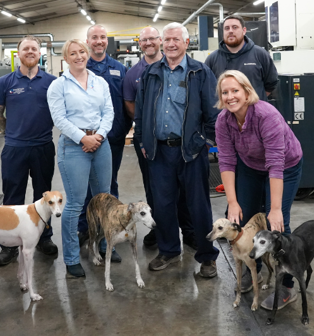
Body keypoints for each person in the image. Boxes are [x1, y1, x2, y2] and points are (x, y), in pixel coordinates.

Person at [134, 22, 219, 277]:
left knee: (199, 205)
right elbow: (140, 111)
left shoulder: (200, 73)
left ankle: (207, 256)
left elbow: (214, 113)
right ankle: (169, 250)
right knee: (162, 205)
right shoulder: (150, 74)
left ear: (186, 43)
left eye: (176, 40)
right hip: (159, 152)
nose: (171, 44)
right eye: (167, 39)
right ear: (162, 42)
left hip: (191, 151)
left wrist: (202, 141)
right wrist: (142, 141)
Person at [214, 70, 303, 310]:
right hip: (251, 166)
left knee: (277, 226)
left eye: (235, 91)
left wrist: (274, 209)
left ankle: (286, 285)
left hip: (286, 165)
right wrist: (232, 202)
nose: (230, 96)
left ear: (246, 91)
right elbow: (227, 161)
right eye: (225, 92)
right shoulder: (223, 120)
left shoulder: (266, 115)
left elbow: (276, 162)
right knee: (245, 218)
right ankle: (255, 269)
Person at [123, 27, 196, 250]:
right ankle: (162, 235)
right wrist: (145, 134)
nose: (148, 43)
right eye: (143, 40)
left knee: (186, 193)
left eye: (153, 38)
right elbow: (133, 106)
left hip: (184, 144)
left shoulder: (186, 68)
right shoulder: (136, 73)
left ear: (160, 41)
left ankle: (190, 232)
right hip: (153, 144)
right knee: (157, 192)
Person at [47, 39, 114, 278]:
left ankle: (105, 246)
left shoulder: (100, 82)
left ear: (87, 54)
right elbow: (59, 119)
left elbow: (108, 112)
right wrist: (83, 138)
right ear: (65, 58)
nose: (78, 56)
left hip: (101, 143)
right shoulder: (58, 86)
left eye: (81, 52)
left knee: (103, 200)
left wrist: (99, 136)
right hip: (73, 147)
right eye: (72, 53)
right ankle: (72, 258)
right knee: (75, 204)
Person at [0, 35, 58, 266]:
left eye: (34, 49)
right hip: (14, 149)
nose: (30, 52)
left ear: (40, 53)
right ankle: (8, 245)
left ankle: (44, 238)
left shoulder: (51, 81)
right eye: (25, 48)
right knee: (12, 197)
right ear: (18, 53)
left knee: (44, 196)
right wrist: (12, 134)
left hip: (43, 147)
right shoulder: (5, 82)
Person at [76, 24, 131, 262]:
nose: (98, 41)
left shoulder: (119, 69)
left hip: (113, 139)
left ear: (106, 41)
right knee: (82, 187)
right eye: (94, 37)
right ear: (87, 40)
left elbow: (127, 104)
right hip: (82, 140)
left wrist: (122, 131)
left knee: (109, 186)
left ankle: (110, 234)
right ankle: (85, 230)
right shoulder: (78, 68)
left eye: (102, 37)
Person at [205, 14, 278, 101]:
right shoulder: (212, 59)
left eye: (235, 27)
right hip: (224, 112)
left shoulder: (260, 54)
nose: (230, 31)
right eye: (227, 28)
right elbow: (207, 88)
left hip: (255, 112)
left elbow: (271, 84)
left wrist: (254, 100)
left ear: (244, 30)